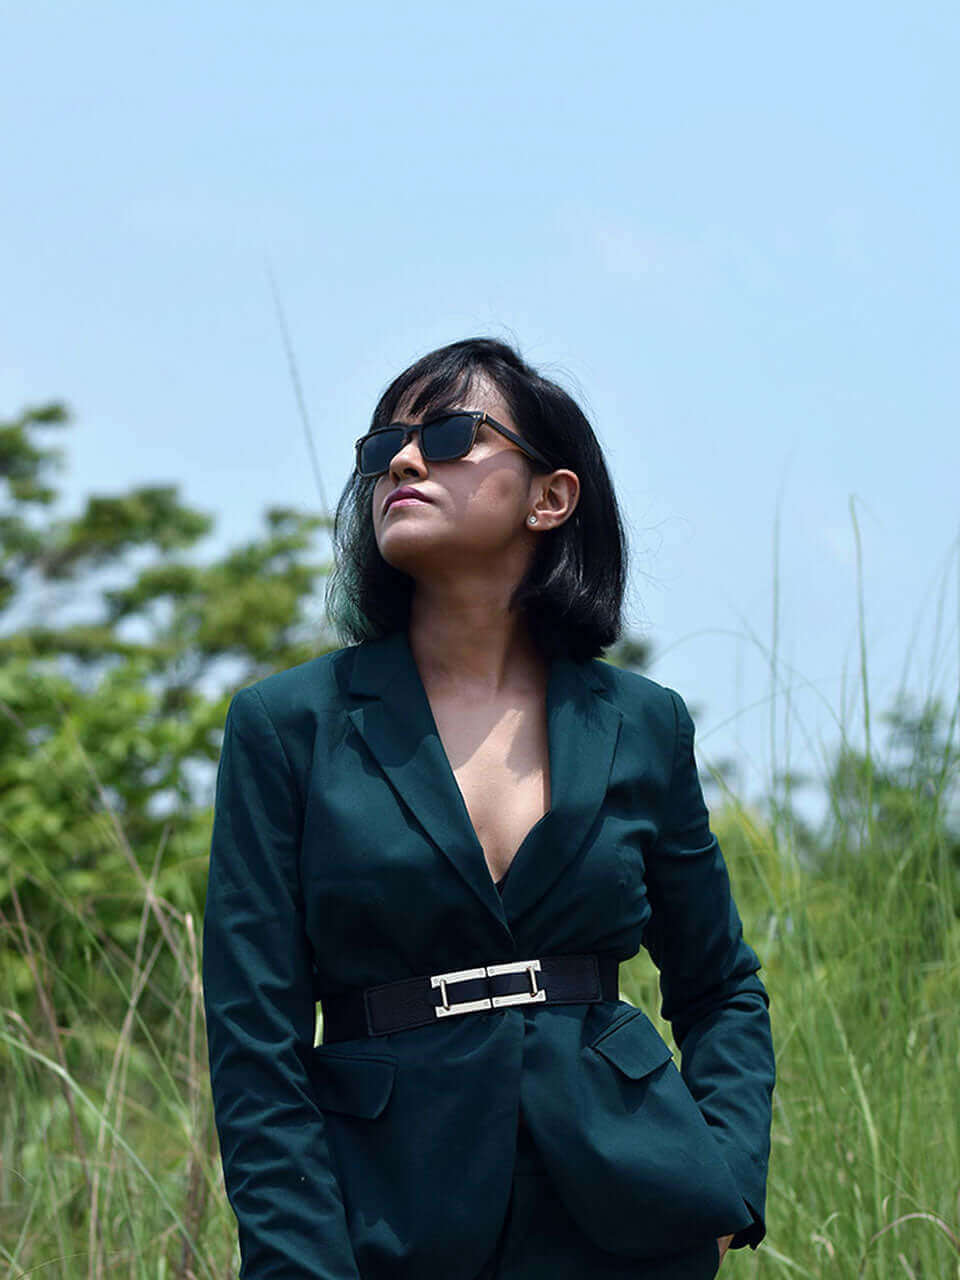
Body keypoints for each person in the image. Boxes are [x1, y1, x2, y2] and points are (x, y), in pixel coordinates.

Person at [202, 337, 776, 1280]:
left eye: (449, 434)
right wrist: (298, 1263)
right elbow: (254, 1041)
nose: (402, 460)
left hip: (630, 1218)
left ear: (551, 497)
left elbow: (720, 989)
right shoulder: (287, 726)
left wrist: (725, 1188)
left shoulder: (644, 724)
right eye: (383, 444)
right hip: (387, 1220)